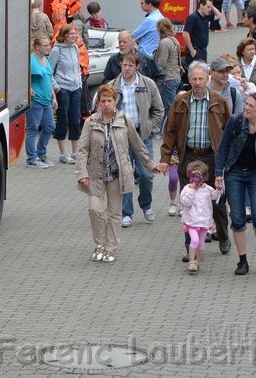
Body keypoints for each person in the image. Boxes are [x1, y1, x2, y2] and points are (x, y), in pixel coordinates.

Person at [76, 84, 163, 264]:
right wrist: (82, 173)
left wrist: (150, 164)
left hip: (117, 175)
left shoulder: (124, 120)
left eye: (109, 100)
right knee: (95, 209)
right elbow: (82, 150)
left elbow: (138, 145)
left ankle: (110, 248)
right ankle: (99, 244)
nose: (106, 104)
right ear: (98, 103)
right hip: (96, 175)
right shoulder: (90, 122)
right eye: (103, 101)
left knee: (115, 213)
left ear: (115, 101)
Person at [159, 62, 231, 258]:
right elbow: (170, 131)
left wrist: (227, 160)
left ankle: (223, 235)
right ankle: (191, 248)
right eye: (194, 79)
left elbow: (229, 131)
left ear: (208, 78)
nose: (197, 83)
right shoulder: (181, 102)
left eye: (201, 79)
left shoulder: (219, 101)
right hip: (189, 156)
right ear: (189, 80)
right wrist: (165, 158)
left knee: (216, 201)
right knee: (188, 201)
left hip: (211, 157)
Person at [215, 93, 256, 276]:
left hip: (255, 175)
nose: (246, 108)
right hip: (234, 173)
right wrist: (219, 173)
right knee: (237, 217)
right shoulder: (235, 121)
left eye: (250, 105)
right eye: (246, 104)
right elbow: (224, 148)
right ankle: (242, 260)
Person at [109, 52, 164, 228]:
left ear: (137, 67)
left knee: (146, 174)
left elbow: (159, 109)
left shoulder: (148, 84)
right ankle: (126, 212)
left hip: (142, 136)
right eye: (124, 65)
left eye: (130, 66)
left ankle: (146, 204)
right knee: (125, 175)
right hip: (121, 136)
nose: (126, 68)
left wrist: (150, 126)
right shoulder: (113, 86)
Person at [179, 160, 224, 274]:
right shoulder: (187, 189)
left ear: (203, 177)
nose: (197, 179)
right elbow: (186, 202)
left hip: (203, 221)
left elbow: (214, 197)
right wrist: (192, 189)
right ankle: (191, 261)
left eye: (199, 176)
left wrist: (218, 189)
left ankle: (197, 262)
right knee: (194, 240)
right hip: (191, 221)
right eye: (194, 176)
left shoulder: (207, 189)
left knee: (201, 244)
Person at [49, 24, 84, 164]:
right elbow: (49, 71)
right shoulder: (56, 50)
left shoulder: (75, 48)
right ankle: (63, 153)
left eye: (75, 34)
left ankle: (75, 153)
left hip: (76, 88)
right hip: (63, 88)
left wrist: (80, 83)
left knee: (76, 120)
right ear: (64, 36)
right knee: (63, 120)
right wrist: (56, 88)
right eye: (71, 34)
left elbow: (77, 68)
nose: (74, 36)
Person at [25, 34, 57, 168]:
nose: (48, 47)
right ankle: (32, 159)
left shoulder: (45, 59)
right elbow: (23, 77)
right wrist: (28, 88)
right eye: (45, 45)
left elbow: (49, 80)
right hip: (36, 100)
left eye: (49, 45)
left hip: (46, 100)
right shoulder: (32, 60)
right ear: (37, 47)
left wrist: (54, 97)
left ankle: (41, 154)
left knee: (50, 127)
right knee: (32, 129)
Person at [153, 18, 182, 120]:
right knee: (168, 107)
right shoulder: (175, 40)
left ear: (161, 29)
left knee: (168, 108)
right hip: (176, 77)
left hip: (168, 79)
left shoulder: (164, 42)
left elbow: (161, 63)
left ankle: (172, 129)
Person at [182, 0, 222, 64]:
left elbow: (219, 15)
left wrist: (212, 6)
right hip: (195, 50)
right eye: (208, 7)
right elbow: (185, 33)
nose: (210, 9)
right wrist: (192, 50)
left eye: (210, 7)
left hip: (203, 51)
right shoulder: (193, 17)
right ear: (201, 5)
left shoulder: (206, 16)